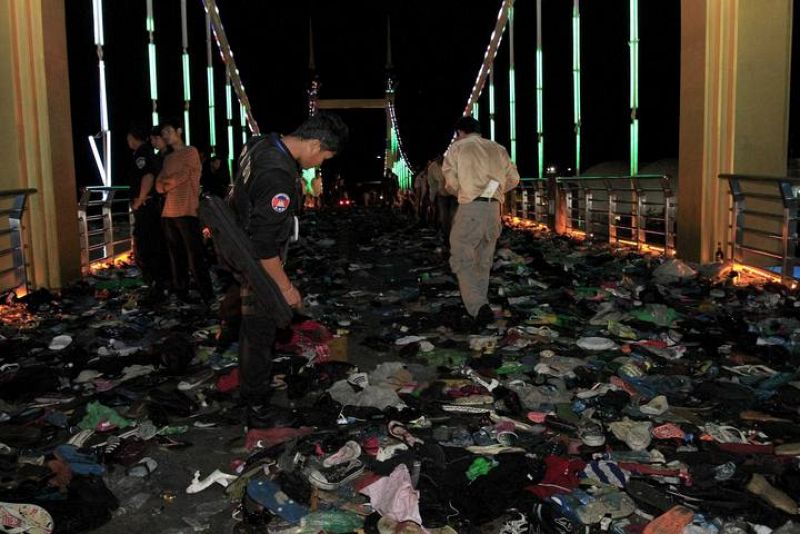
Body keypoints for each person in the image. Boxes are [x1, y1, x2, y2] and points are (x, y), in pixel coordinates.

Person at [230, 112, 348, 428]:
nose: (320, 164)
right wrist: (285, 287)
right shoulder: (277, 175)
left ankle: (250, 396)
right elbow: (264, 245)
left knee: (250, 331)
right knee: (260, 332)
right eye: (323, 156)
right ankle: (256, 407)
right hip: (259, 265)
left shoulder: (258, 144)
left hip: (239, 249)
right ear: (313, 143)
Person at [443, 116, 519, 327]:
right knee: (483, 260)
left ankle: (478, 308)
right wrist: (493, 190)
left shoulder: (457, 148)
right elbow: (514, 179)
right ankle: (481, 304)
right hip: (494, 209)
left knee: (462, 259)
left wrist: (465, 190)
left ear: (460, 132)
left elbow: (449, 184)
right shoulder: (498, 148)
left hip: (471, 208)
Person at [155, 117, 215, 305]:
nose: (166, 136)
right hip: (168, 213)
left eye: (169, 131)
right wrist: (166, 184)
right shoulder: (168, 158)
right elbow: (158, 185)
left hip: (187, 210)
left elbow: (183, 176)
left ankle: (207, 294)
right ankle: (182, 292)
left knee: (194, 255)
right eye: (163, 134)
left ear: (179, 131)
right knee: (176, 256)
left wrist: (167, 183)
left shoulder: (191, 151)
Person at [126, 125, 169, 297]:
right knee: (153, 242)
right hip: (151, 205)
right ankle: (158, 280)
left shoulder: (142, 154)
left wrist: (140, 199)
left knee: (145, 243)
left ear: (134, 137)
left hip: (146, 206)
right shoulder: (149, 154)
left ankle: (154, 282)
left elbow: (148, 176)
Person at [427, 154, 457, 257]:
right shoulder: (432, 168)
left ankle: (453, 240)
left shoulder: (453, 163)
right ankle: (447, 239)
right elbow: (432, 184)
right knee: (444, 218)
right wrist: (432, 199)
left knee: (453, 217)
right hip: (442, 195)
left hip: (454, 195)